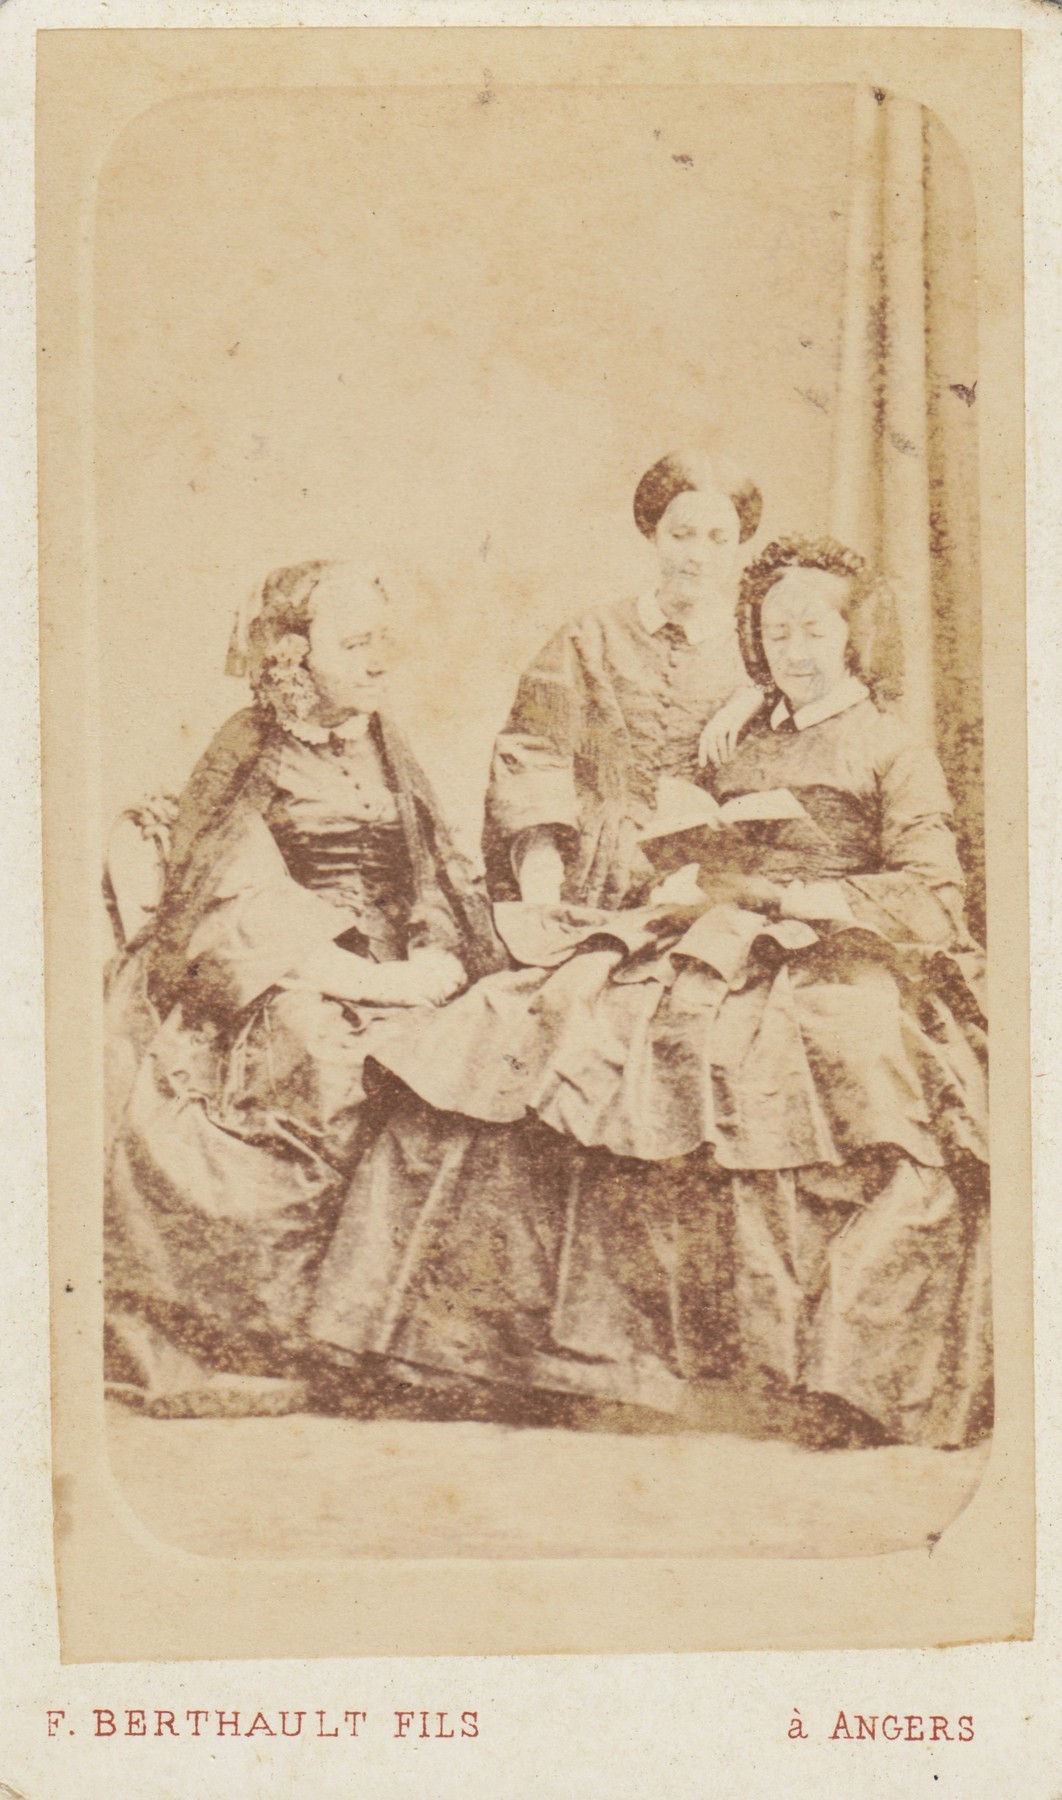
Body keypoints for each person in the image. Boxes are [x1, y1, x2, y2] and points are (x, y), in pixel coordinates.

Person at [311, 537, 990, 1451]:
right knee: (543, 1030)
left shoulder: (891, 747)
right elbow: (691, 840)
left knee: (788, 1075)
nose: (794, 650)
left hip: (830, 950)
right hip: (709, 932)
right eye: (776, 632)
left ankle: (783, 1374)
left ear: (854, 636)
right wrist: (684, 866)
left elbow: (931, 894)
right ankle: (490, 1350)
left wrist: (795, 897)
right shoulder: (741, 734)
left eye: (814, 631)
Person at [104, 560, 500, 1417]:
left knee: (483, 1053)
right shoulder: (248, 747)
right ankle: (305, 1340)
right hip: (278, 973)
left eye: (383, 641)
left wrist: (434, 954)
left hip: (396, 962)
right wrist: (373, 979)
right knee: (324, 1061)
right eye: (355, 644)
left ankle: (413, 1344)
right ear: (295, 655)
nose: (378, 660)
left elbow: (432, 867)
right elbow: (234, 900)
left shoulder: (384, 739)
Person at [484, 448, 769, 909]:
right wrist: (540, 874)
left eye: (719, 539)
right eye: (681, 535)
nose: (698, 556)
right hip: (594, 865)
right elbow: (533, 752)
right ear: (653, 532)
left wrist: (757, 694)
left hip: (713, 875)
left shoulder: (764, 650)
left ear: (740, 543)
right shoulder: (590, 635)